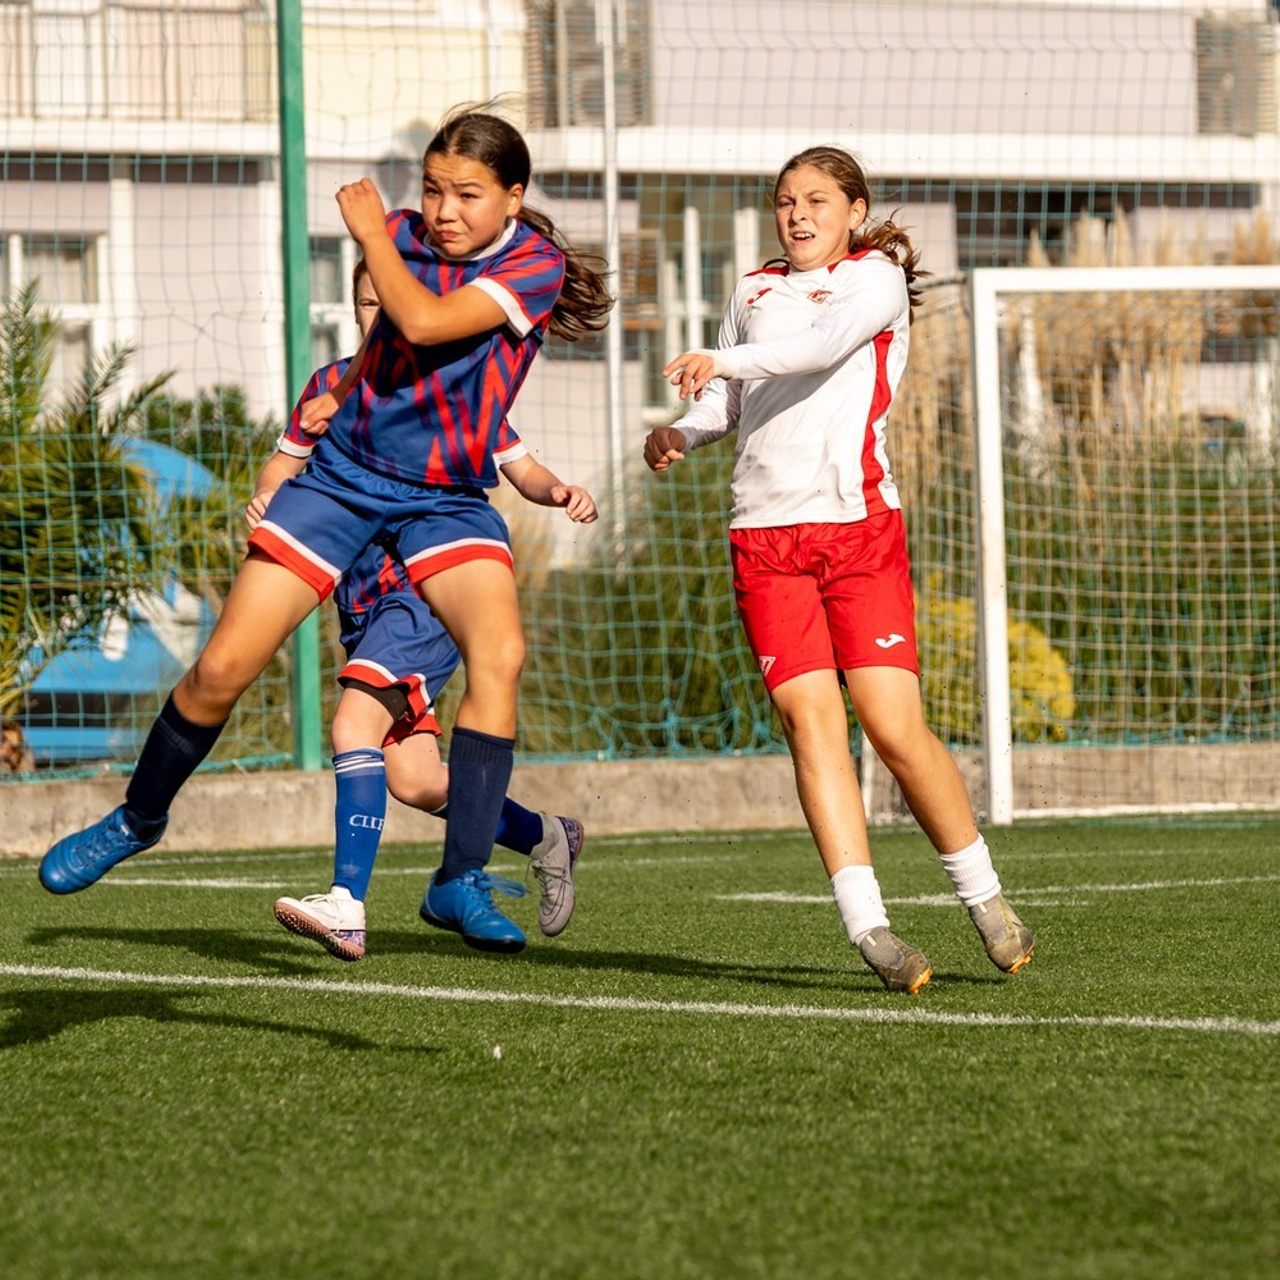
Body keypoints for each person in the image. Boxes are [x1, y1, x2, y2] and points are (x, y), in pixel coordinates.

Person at [39, 105, 613, 956]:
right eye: (432, 190)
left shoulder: (532, 263)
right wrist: (330, 402)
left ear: (513, 197)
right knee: (221, 668)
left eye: (467, 194)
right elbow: (383, 340)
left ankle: (458, 878)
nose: (444, 211)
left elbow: (422, 322)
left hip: (445, 498)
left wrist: (373, 236)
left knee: (500, 656)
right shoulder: (405, 235)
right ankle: (137, 817)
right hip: (344, 481)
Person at [644, 145, 1033, 993]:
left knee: (892, 728)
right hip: (763, 538)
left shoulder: (874, 280)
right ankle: (872, 931)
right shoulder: (752, 290)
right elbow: (725, 402)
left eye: (816, 199)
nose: (798, 214)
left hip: (858, 532)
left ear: (854, 211)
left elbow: (819, 349)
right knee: (808, 723)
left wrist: (723, 362)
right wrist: (683, 430)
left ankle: (985, 899)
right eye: (786, 201)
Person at [253, 259, 591, 959]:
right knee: (413, 778)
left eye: (393, 303)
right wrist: (266, 496)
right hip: (362, 607)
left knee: (352, 723)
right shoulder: (329, 386)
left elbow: (519, 465)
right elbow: (284, 463)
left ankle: (346, 903)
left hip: (425, 593)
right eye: (367, 304)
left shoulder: (451, 389)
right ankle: (544, 835)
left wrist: (558, 490)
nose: (381, 317)